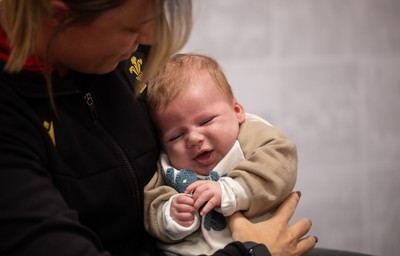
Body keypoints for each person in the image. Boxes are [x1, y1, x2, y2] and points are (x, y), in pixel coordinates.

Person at [0, 0, 318, 255]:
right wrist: (252, 251)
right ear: (58, 17)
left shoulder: (121, 55)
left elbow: (271, 151)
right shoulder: (12, 120)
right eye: (132, 28)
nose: (150, 41)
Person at [144, 53, 298, 256]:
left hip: (260, 247)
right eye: (176, 136)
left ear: (237, 111)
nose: (193, 139)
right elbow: (152, 204)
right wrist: (170, 214)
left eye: (206, 121)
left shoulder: (254, 137)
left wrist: (229, 190)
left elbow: (280, 167)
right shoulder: (167, 164)